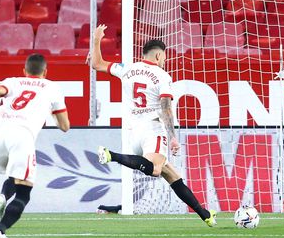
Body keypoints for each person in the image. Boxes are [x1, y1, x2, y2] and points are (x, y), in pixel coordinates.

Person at [90, 24, 216, 226]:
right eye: (164, 57)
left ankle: (205, 215)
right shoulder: (163, 77)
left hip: (134, 131)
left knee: (170, 174)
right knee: (157, 170)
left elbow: (96, 64)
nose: (165, 60)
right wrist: (173, 136)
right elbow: (166, 108)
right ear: (158, 56)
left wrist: (96, 40)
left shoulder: (127, 69)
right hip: (153, 129)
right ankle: (111, 155)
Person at [0, 54, 70, 238]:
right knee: (24, 192)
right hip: (21, 136)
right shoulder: (53, 87)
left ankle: (2, 196)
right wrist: (52, 113)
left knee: (15, 175)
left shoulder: (13, 82)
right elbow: (64, 126)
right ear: (45, 72)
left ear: (24, 71)